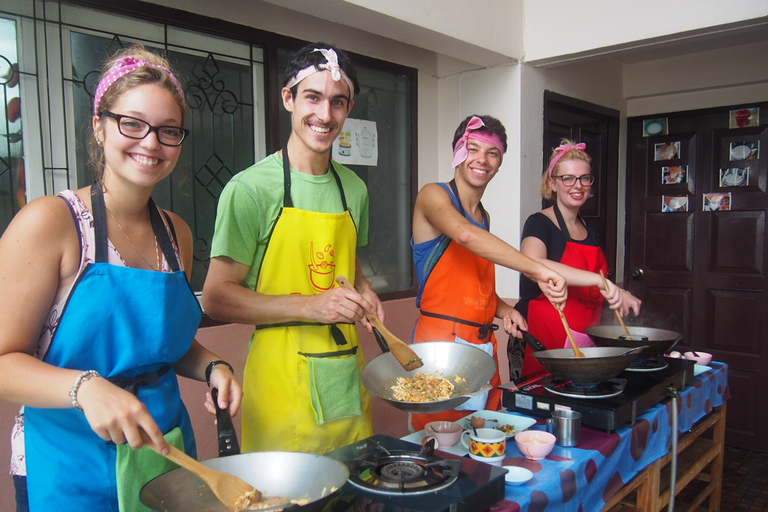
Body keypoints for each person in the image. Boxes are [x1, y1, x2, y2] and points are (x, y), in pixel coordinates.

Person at [0, 45, 243, 512]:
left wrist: (214, 366)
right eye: (132, 123)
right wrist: (85, 387)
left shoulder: (177, 234)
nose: (150, 143)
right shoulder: (52, 222)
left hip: (160, 456)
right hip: (67, 464)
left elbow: (161, 346)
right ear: (99, 126)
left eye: (168, 131)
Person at [202, 43, 382, 455]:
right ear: (288, 98)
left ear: (349, 107)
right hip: (281, 385)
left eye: (338, 102)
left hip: (346, 379)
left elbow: (348, 265)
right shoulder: (250, 190)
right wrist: (312, 306)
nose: (325, 114)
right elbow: (216, 298)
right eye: (312, 97)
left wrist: (365, 291)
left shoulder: (354, 190)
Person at [409, 115, 568, 431]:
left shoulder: (485, 217)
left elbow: (473, 288)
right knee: (439, 442)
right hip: (441, 348)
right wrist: (538, 270)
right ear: (458, 151)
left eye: (491, 153)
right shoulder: (433, 195)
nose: (481, 159)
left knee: (485, 436)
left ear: (499, 163)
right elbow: (466, 235)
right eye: (472, 148)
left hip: (482, 347)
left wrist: (505, 309)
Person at [515, 140, 642, 376]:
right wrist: (598, 281)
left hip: (583, 339)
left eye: (585, 178)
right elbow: (531, 262)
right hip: (543, 340)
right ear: (552, 183)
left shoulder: (590, 228)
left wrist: (619, 293)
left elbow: (600, 278)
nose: (578, 185)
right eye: (568, 178)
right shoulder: (539, 222)